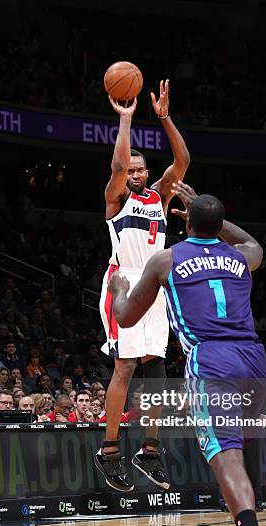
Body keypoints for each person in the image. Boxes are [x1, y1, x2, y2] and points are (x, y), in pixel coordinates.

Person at [107, 182, 266, 526]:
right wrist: (205, 212)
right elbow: (250, 241)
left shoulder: (166, 258)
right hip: (254, 359)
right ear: (220, 226)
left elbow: (128, 318)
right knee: (243, 454)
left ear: (184, 223)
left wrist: (117, 292)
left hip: (213, 361)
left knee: (225, 457)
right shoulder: (241, 256)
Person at [96, 79, 190, 492]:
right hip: (123, 283)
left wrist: (165, 118)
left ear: (147, 173)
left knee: (159, 372)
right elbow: (116, 167)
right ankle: (110, 449)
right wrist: (127, 119)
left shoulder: (160, 198)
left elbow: (183, 160)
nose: (133, 173)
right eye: (130, 169)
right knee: (125, 366)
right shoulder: (116, 198)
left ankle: (150, 450)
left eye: (139, 169)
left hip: (154, 288)